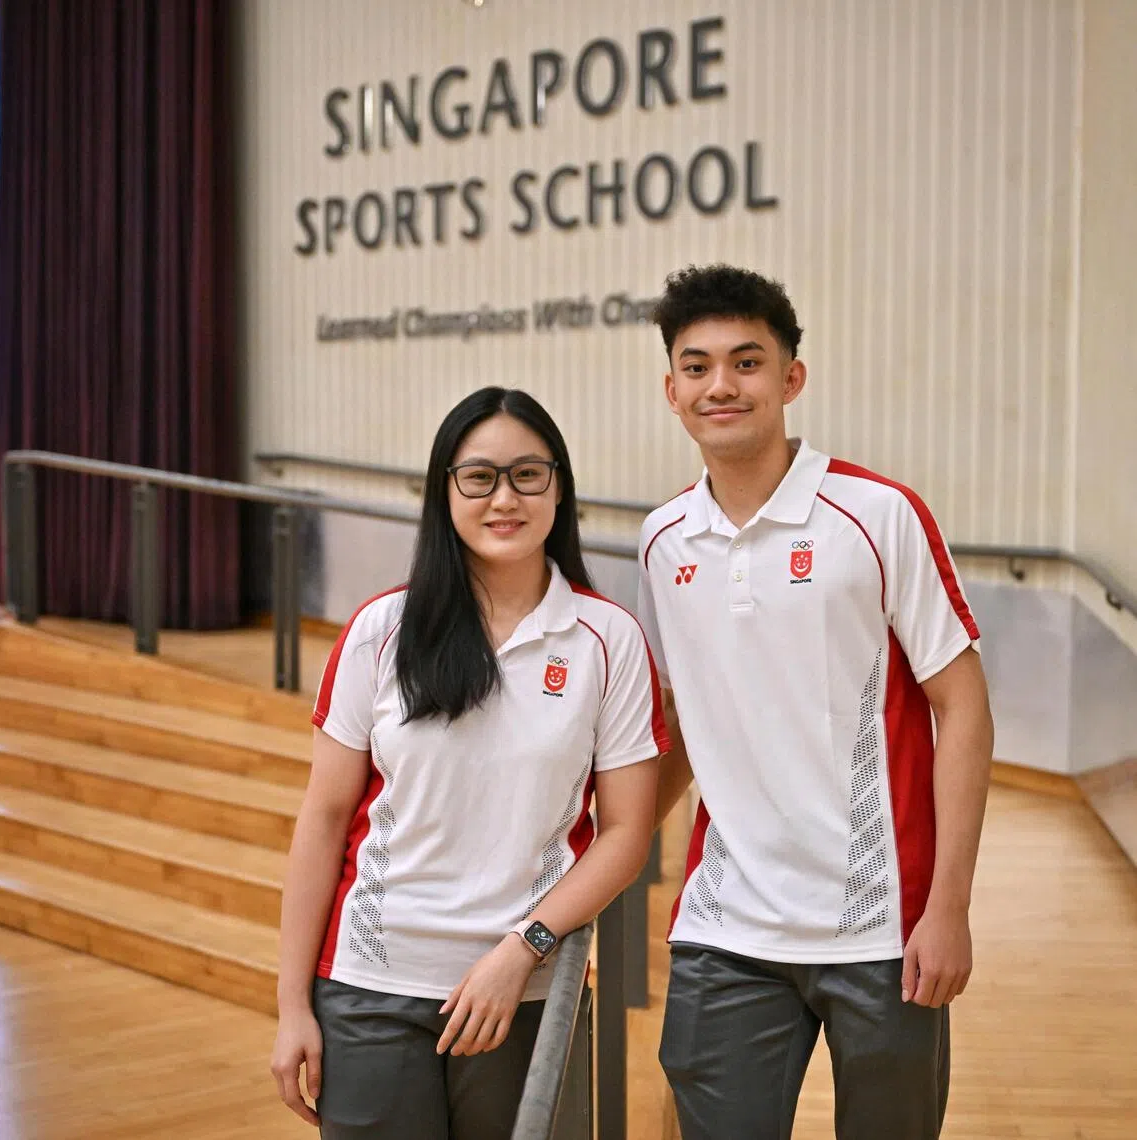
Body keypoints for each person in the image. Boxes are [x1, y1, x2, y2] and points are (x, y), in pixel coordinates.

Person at [638, 264, 995, 1139]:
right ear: (672, 390)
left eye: (747, 362)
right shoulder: (661, 541)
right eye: (697, 366)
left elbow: (965, 708)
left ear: (791, 379)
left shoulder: (876, 516)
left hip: (882, 929)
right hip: (727, 928)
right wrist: (607, 846)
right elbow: (690, 720)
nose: (721, 384)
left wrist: (948, 907)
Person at [271, 386, 665, 1139]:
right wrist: (293, 1007)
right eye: (478, 476)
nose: (504, 497)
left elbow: (624, 837)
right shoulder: (382, 629)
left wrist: (525, 948)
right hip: (370, 987)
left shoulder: (606, 640)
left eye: (528, 474)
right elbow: (322, 823)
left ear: (559, 487)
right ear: (444, 490)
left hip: (522, 994)